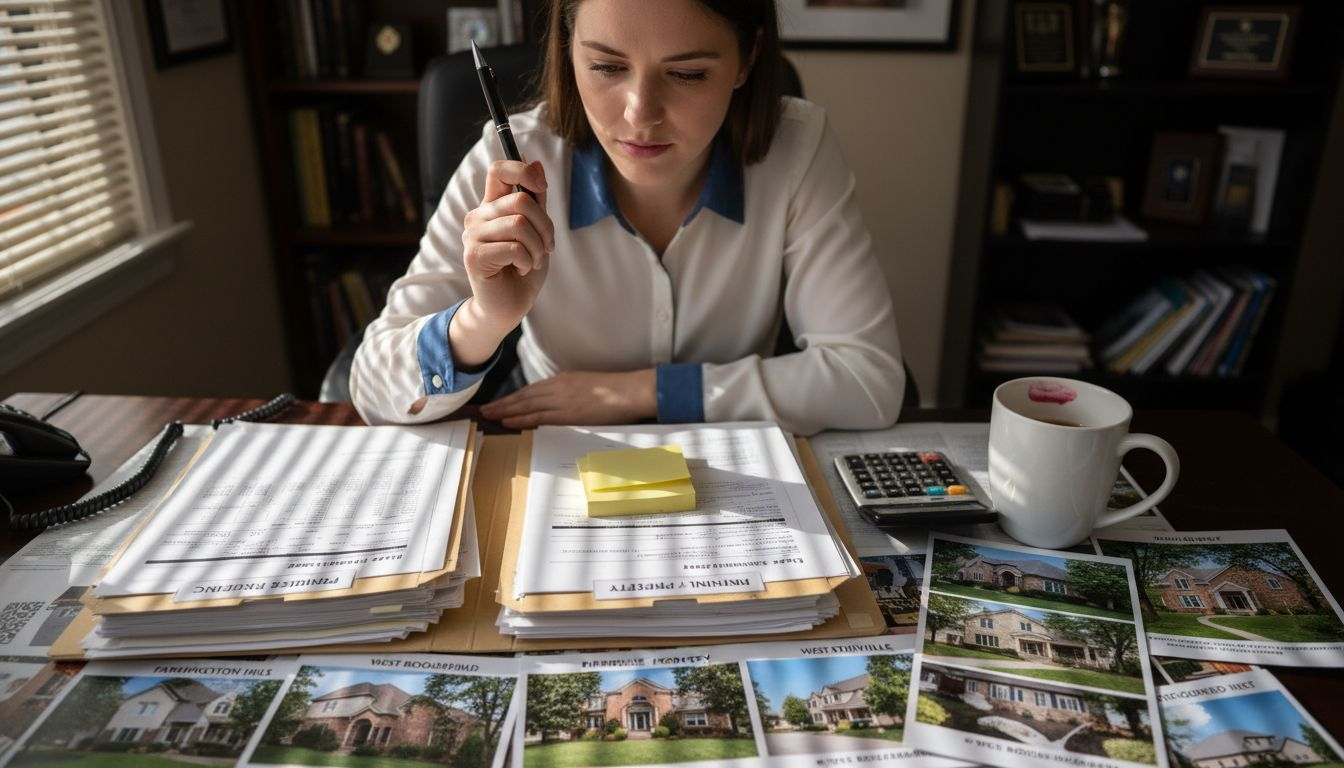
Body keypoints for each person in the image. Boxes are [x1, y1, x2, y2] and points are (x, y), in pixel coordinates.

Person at [351, 0, 905, 436]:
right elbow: (372, 390)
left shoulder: (797, 148)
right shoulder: (510, 160)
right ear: (569, 51)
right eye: (606, 66)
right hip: (560, 457)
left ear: (747, 59)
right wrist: (482, 320)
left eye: (687, 74)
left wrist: (641, 392)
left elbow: (867, 380)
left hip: (735, 470)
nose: (640, 114)